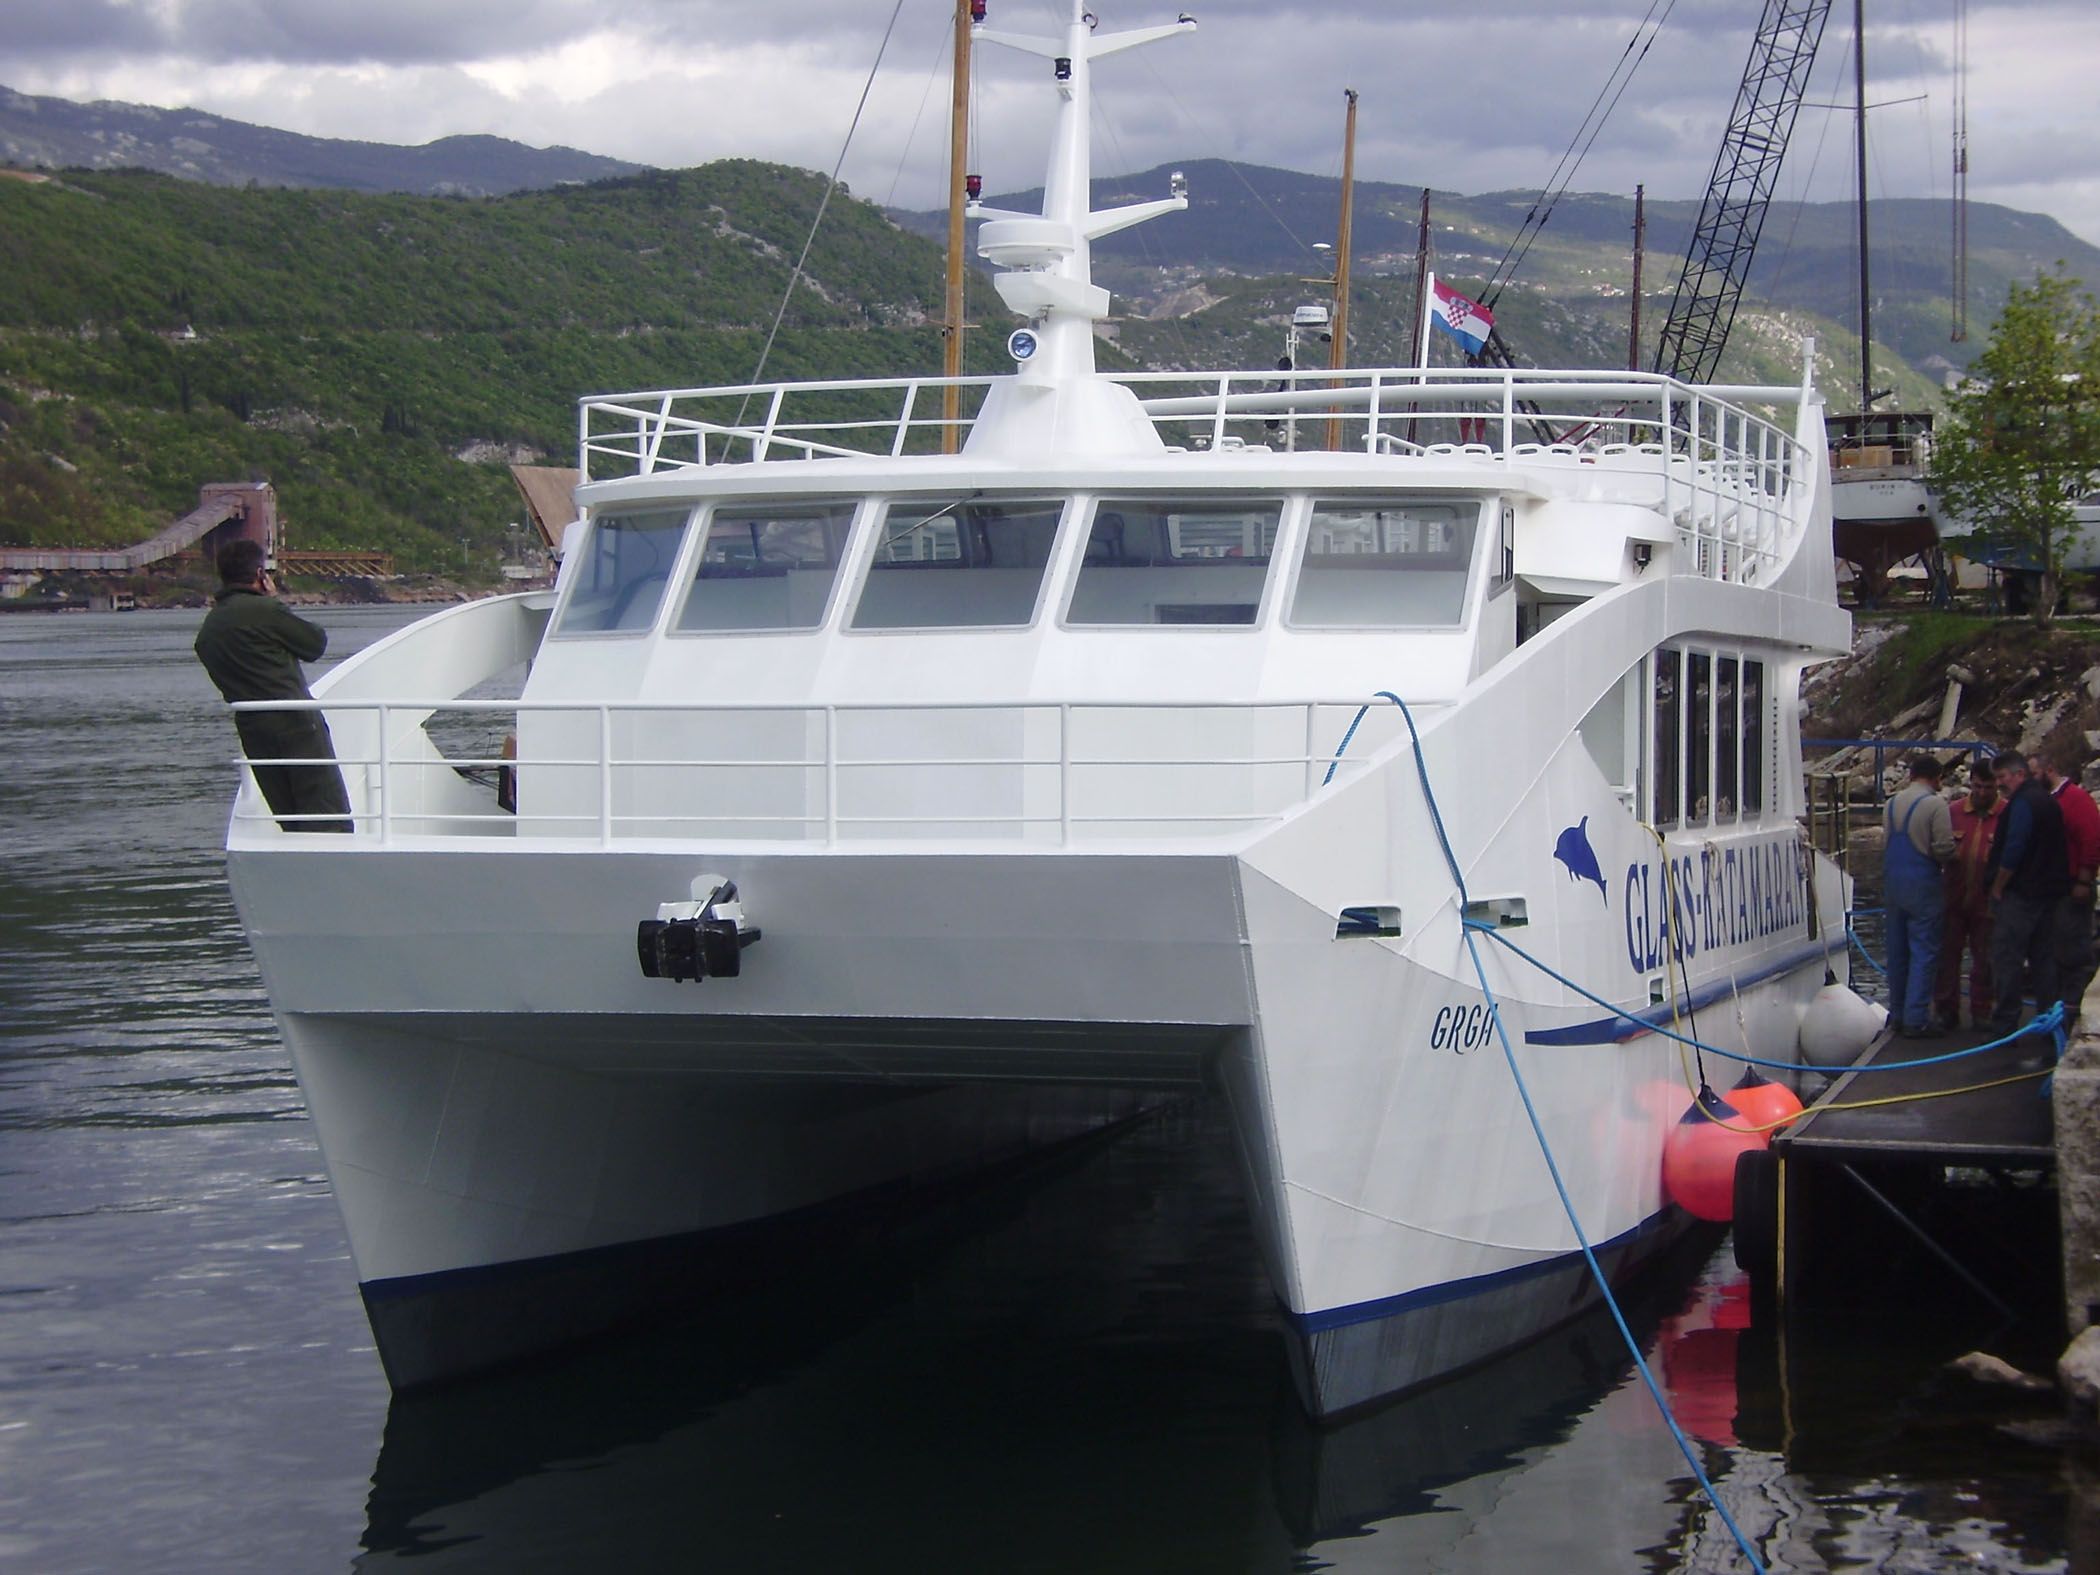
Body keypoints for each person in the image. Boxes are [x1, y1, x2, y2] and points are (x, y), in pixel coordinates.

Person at [193, 539, 353, 833]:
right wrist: (275, 601)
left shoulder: (209, 631)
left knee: (289, 816)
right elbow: (314, 643)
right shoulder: (266, 611)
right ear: (259, 574)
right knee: (325, 815)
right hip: (296, 725)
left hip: (253, 729)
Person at [1986, 751, 2070, 1033]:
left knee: (2007, 959)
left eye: (2002, 778)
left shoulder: (2022, 803)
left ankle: (2005, 1024)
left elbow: (2014, 848)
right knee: (2044, 961)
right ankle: (2050, 1022)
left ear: (2019, 774)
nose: (1999, 785)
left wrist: (1997, 886)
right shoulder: (2048, 801)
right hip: (2049, 894)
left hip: (2022, 894)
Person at [1882, 754, 1956, 1037]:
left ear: (1911, 775)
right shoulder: (1935, 805)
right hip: (1923, 885)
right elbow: (1943, 849)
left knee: (1897, 952)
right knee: (1924, 951)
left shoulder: (1890, 805)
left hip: (1893, 885)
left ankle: (1897, 1014)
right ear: (1936, 778)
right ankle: (1917, 1019)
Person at [1934, 762, 2004, 1028]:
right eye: (1977, 786)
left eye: (1988, 787)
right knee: (1947, 957)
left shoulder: (2006, 815)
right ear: (1970, 783)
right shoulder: (1953, 812)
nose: (1982, 792)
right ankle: (1945, 1009)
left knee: (1984, 959)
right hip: (1953, 898)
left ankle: (1981, 1011)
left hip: (1987, 902)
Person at [2035, 751, 2100, 1023]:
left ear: (2048, 770)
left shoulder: (2075, 800)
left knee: (2072, 951)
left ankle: (2071, 1010)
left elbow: (2092, 839)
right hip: (2052, 889)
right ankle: (2055, 1012)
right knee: (2053, 951)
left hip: (2072, 886)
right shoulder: (2048, 802)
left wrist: (2084, 880)